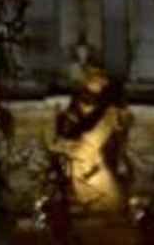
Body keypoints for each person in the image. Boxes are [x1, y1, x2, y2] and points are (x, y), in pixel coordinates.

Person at [50, 64, 132, 221]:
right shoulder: (76, 106)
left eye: (101, 80)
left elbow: (122, 125)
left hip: (100, 155)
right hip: (84, 159)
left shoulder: (110, 107)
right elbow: (67, 130)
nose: (99, 83)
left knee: (113, 197)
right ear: (87, 81)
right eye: (95, 79)